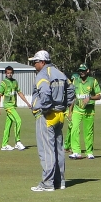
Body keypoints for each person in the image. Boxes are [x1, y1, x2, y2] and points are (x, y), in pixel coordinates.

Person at [27, 50, 74, 192]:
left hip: (47, 116)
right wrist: (64, 105)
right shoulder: (60, 73)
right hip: (59, 115)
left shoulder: (42, 75)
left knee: (46, 150)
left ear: (42, 62)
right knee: (58, 149)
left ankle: (47, 183)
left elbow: (45, 93)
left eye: (35, 62)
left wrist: (45, 108)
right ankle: (60, 181)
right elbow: (71, 90)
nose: (34, 65)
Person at [68, 64, 101, 159]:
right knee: (74, 129)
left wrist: (90, 97)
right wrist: (70, 112)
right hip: (77, 109)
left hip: (89, 110)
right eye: (80, 70)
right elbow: (72, 97)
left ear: (88, 71)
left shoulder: (93, 81)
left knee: (88, 132)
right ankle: (76, 151)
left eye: (83, 70)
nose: (81, 72)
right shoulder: (75, 81)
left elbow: (99, 96)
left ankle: (89, 152)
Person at [0, 66, 27, 151]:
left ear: (12, 73)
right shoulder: (4, 83)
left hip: (13, 106)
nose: (9, 74)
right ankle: (18, 141)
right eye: (8, 73)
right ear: (5, 73)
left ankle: (4, 144)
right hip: (8, 106)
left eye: (11, 73)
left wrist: (27, 103)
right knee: (18, 121)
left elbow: (19, 93)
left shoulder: (15, 82)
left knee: (8, 126)